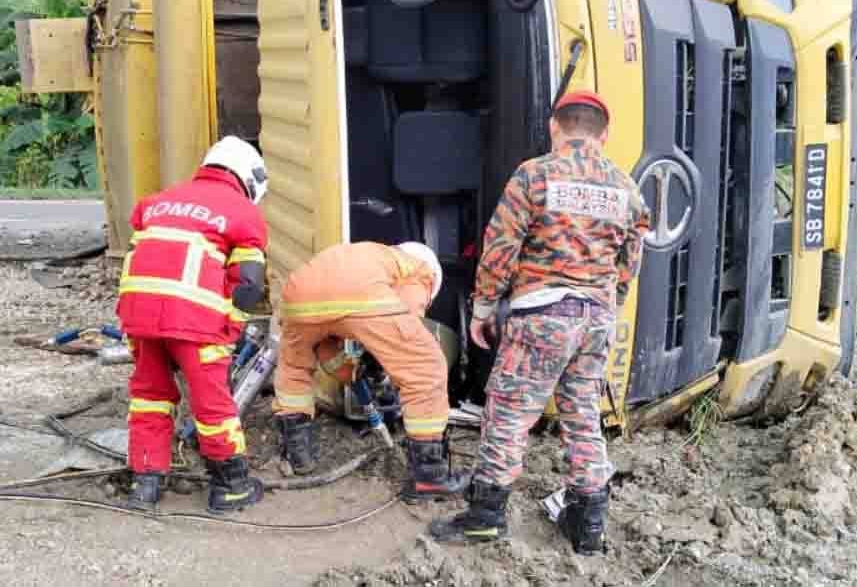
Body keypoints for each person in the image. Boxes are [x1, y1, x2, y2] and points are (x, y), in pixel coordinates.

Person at [429, 90, 651, 554]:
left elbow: (501, 246)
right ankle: (588, 528)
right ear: (603, 135)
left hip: (543, 315)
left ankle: (485, 517)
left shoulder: (534, 175)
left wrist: (485, 308)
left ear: (555, 127)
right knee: (582, 415)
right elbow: (629, 265)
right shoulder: (627, 189)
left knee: (508, 415)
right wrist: (608, 305)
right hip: (596, 318)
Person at [116, 135, 270, 514]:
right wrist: (230, 330)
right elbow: (248, 284)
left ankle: (145, 486)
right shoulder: (243, 213)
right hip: (194, 321)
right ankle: (231, 487)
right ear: (249, 178)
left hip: (140, 316)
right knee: (212, 403)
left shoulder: (156, 202)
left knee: (150, 396)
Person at [272, 241, 468, 502]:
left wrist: (354, 372)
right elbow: (407, 316)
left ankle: (298, 456)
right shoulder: (419, 269)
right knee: (425, 368)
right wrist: (386, 356)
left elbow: (328, 346)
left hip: (297, 297)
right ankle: (429, 477)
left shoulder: (365, 255)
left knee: (294, 368)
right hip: (356, 296)